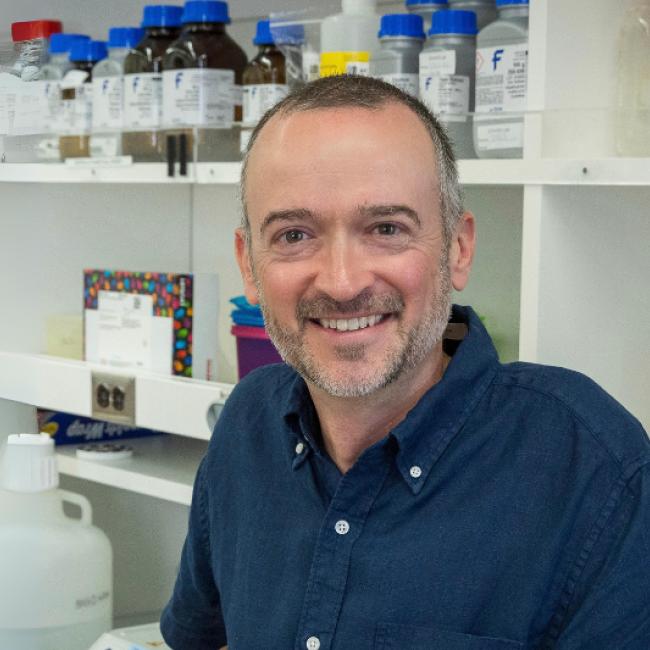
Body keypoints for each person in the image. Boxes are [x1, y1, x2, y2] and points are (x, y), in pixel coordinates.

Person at [160, 75, 650, 650]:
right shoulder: (247, 424)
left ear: (457, 249)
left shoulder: (591, 467)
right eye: (295, 234)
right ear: (249, 264)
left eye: (387, 229)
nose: (342, 283)